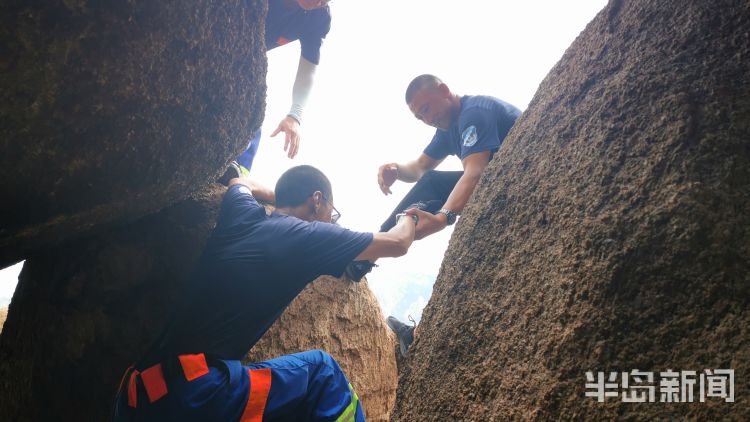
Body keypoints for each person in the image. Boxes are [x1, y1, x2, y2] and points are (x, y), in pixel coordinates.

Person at [113, 164, 431, 421]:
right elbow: (399, 243)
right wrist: (410, 217)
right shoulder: (309, 236)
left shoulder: (240, 215)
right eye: (331, 214)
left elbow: (240, 182)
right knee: (323, 373)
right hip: (196, 395)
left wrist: (277, 194)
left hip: (135, 395)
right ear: (317, 200)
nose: (331, 223)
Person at [345, 74, 522, 282]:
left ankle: (368, 252)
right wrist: (397, 170)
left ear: (444, 90)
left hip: (521, 173)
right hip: (500, 178)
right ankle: (372, 249)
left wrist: (442, 217)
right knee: (430, 182)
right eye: (420, 117)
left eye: (426, 109)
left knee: (434, 184)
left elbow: (475, 172)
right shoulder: (447, 128)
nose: (427, 120)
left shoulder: (474, 112)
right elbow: (419, 167)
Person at [236, 0, 332, 174]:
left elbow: (308, 70)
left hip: (244, 62)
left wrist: (295, 115)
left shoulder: (318, 18)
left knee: (253, 112)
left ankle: (238, 174)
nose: (319, 2)